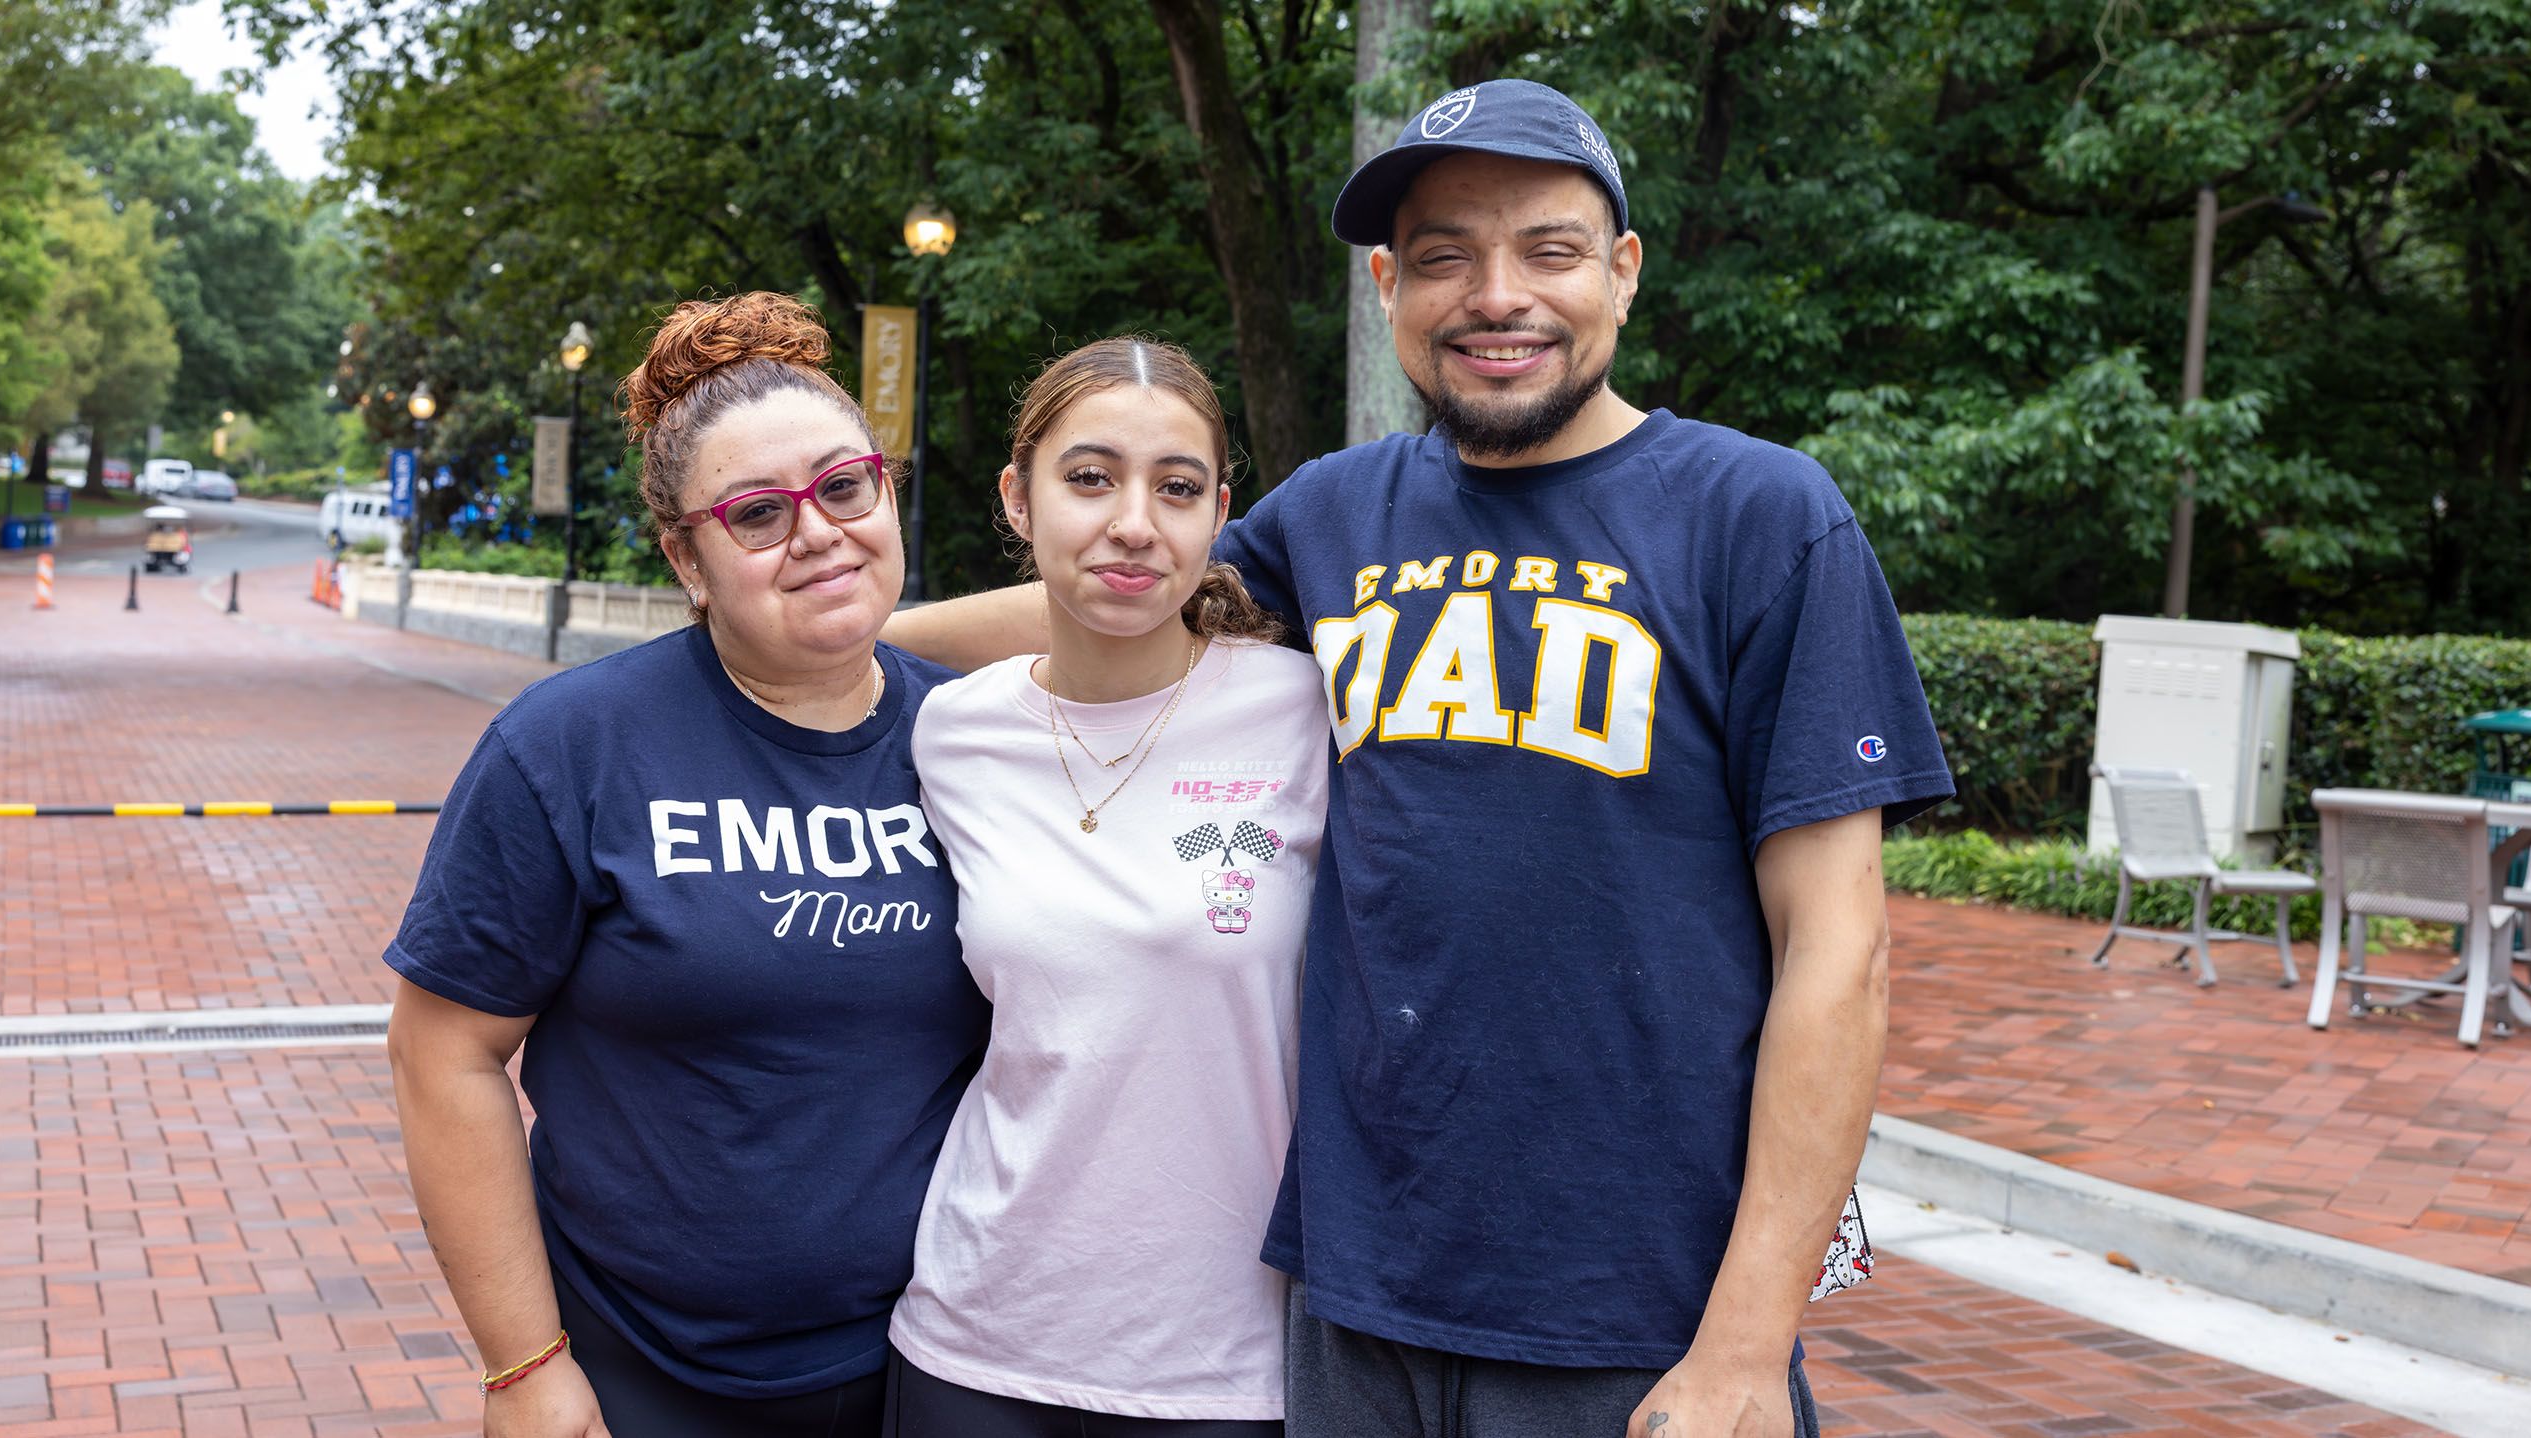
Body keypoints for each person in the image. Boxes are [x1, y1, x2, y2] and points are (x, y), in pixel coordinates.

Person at [887, 79, 1955, 1438]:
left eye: (1549, 250)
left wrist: (1749, 1337)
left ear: (1622, 274)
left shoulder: (1760, 515)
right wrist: (848, 643)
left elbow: (1839, 951)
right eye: (1443, 254)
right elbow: (1121, 592)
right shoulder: (1335, 513)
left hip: (1636, 1313)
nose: (1494, 293)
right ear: (1390, 286)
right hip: (1355, 1306)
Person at [384, 292, 988, 1438]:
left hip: (943, 1365)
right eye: (757, 514)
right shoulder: (570, 745)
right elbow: (442, 1052)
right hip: (644, 1374)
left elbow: (1136, 609)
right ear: (686, 557)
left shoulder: (986, 740)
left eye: (845, 487)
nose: (817, 532)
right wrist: (524, 1368)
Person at [884, 337, 1330, 1435]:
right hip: (975, 1339)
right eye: (1089, 478)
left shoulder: (1309, 710)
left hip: (1231, 1366)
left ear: (1218, 510)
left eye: (1176, 488)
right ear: (1017, 499)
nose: (1134, 520)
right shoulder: (950, 731)